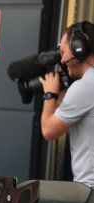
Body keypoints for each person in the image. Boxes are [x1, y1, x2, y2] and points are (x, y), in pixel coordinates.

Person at [39, 21, 94, 187]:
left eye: (63, 52)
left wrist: (50, 94)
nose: (62, 60)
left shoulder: (86, 85)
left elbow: (48, 130)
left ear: (79, 47)